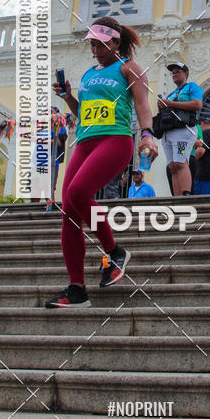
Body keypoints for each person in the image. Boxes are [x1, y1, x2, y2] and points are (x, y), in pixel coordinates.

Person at [46, 16, 158, 308]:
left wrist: (147, 134)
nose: (94, 49)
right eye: (91, 44)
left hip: (115, 140)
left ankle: (114, 251)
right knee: (68, 210)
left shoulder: (128, 67)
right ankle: (77, 289)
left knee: (77, 193)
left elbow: (143, 105)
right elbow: (81, 112)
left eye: (99, 43)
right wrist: (69, 95)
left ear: (115, 42)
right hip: (84, 141)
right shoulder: (87, 74)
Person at [158, 62, 202, 196]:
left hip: (184, 130)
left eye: (178, 71)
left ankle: (186, 193)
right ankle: (176, 197)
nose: (174, 74)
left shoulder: (191, 87)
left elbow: (197, 104)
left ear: (186, 74)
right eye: (173, 72)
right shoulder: (172, 93)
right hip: (169, 131)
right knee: (172, 166)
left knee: (180, 162)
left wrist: (171, 103)